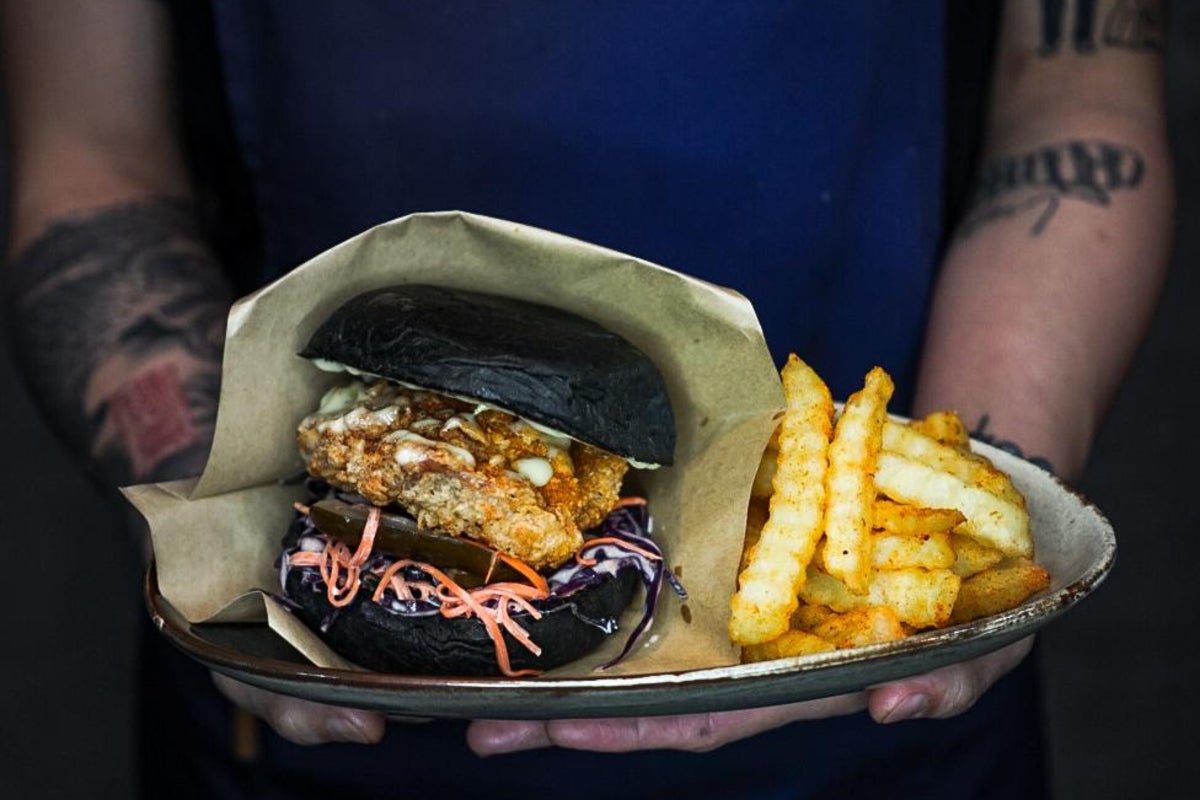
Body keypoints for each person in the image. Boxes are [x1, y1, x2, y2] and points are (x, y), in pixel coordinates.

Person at [1, 0, 1172, 797]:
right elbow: (90, 158)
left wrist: (978, 556)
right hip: (296, 720)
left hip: (876, 705)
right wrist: (221, 532)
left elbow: (1076, 109)